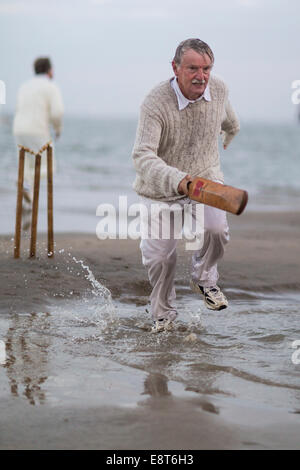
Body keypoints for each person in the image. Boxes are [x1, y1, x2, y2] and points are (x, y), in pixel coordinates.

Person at [132, 38, 240, 333]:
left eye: (206, 68)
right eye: (193, 68)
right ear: (175, 68)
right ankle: (163, 315)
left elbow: (227, 117)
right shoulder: (155, 102)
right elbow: (142, 156)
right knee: (160, 258)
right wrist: (179, 180)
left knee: (217, 229)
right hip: (160, 188)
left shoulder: (218, 89)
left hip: (205, 178)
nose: (201, 75)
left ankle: (204, 277)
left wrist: (232, 131)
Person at [13, 57, 64, 205]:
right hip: (38, 130)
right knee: (49, 167)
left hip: (19, 129)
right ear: (49, 70)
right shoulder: (50, 86)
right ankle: (25, 184)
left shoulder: (24, 86)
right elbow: (57, 112)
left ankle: (25, 186)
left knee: (26, 166)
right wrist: (57, 129)